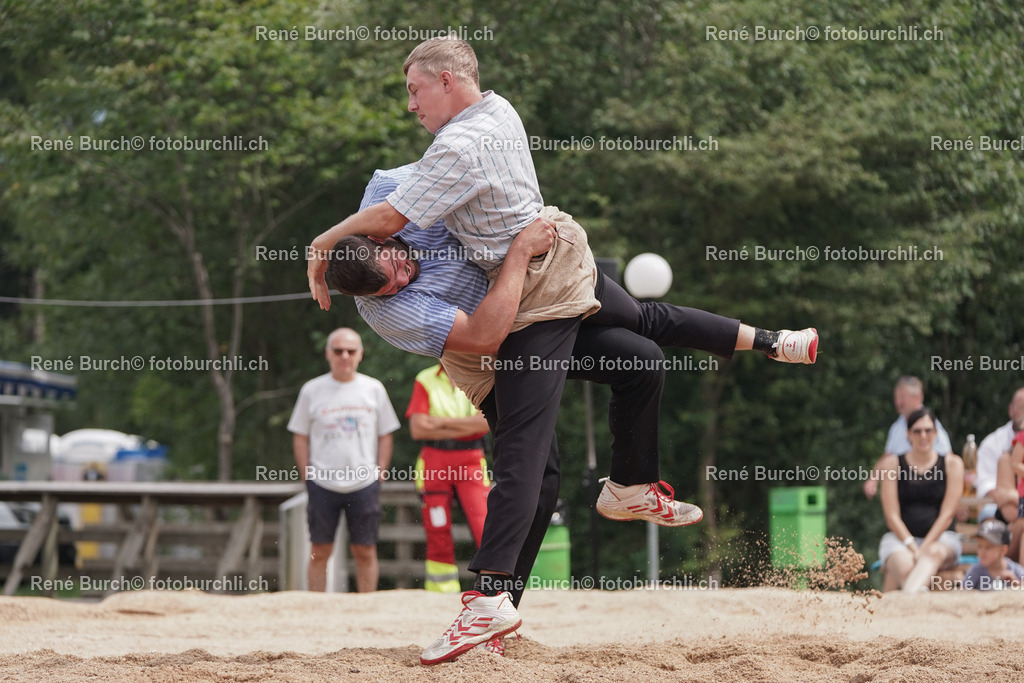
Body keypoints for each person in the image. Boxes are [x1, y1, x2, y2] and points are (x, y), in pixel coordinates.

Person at [306, 37, 818, 664]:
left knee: (642, 355)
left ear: (446, 80)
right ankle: (491, 598)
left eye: (414, 91)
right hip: (498, 335)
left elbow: (388, 212)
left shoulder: (443, 158)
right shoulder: (386, 302)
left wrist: (324, 241)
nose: (409, 106)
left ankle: (628, 485)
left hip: (547, 275)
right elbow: (482, 336)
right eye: (389, 284)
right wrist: (516, 251)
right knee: (534, 460)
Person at [287, 328, 400, 592]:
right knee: (320, 548)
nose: (344, 356)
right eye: (338, 350)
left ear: (360, 354)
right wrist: (308, 475)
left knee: (365, 549)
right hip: (322, 482)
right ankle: (316, 606)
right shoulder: (311, 390)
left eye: (351, 350)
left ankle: (366, 606)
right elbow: (300, 436)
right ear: (328, 354)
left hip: (364, 483)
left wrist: (380, 472)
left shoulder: (374, 389)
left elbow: (386, 434)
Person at [407, 362, 491, 593]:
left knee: (483, 524)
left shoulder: (478, 372)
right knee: (437, 527)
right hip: (434, 462)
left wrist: (439, 422)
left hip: (471, 460)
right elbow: (418, 429)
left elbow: (484, 424)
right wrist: (465, 427)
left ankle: (492, 586)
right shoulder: (425, 378)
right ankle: (441, 590)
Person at [878, 407, 964, 592]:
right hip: (899, 539)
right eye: (917, 431)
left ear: (936, 433)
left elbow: (947, 515)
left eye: (928, 430)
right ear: (908, 434)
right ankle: (918, 599)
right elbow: (892, 516)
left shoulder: (953, 464)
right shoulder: (891, 464)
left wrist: (924, 547)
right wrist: (912, 546)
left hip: (942, 539)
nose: (923, 435)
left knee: (932, 553)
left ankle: (908, 601)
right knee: (905, 564)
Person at [863, 376, 952, 499]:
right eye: (896, 398)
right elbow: (888, 456)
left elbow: (949, 461)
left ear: (918, 396)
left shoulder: (931, 425)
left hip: (930, 493)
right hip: (902, 494)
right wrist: (873, 479)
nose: (898, 402)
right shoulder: (897, 427)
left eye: (902, 397)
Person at [975, 387, 1024, 512]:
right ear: (1011, 410)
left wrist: (1013, 497)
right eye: (1021, 408)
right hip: (1000, 508)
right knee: (989, 517)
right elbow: (987, 486)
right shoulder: (991, 444)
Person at [961, 519, 1024, 590]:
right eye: (979, 546)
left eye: (988, 547)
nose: (982, 552)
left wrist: (1016, 583)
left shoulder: (1016, 571)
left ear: (1003, 550)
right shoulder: (975, 571)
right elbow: (962, 593)